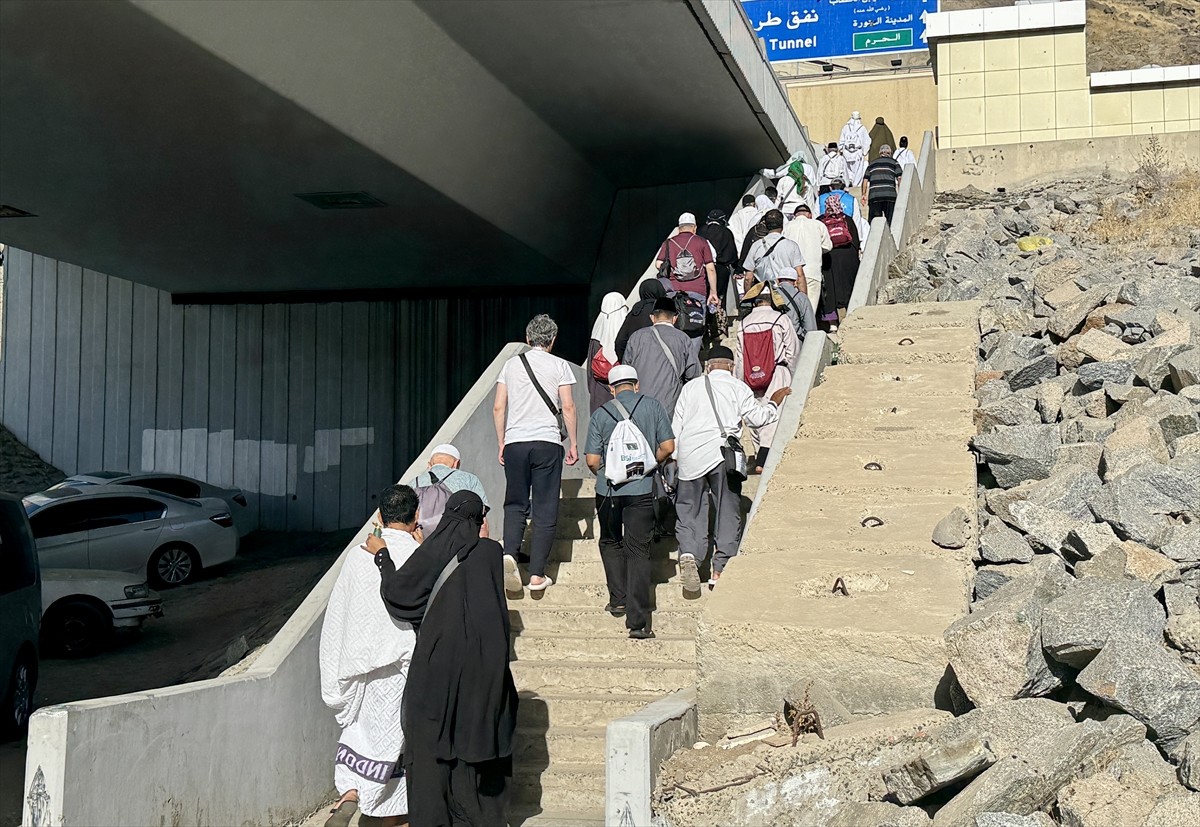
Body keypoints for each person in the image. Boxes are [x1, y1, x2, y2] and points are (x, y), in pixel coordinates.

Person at [371, 491, 519, 827]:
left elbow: (399, 594)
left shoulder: (432, 550)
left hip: (434, 669)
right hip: (482, 670)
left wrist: (383, 559)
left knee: (430, 747)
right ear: (478, 520)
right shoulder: (490, 552)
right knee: (475, 742)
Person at [319, 484, 422, 827]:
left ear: (379, 516)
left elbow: (339, 614)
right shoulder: (419, 556)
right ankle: (388, 813)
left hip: (358, 666)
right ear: (416, 516)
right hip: (399, 667)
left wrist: (337, 667)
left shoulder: (357, 556)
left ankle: (349, 793)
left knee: (361, 732)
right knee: (394, 740)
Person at [671, 346, 789, 591]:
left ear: (708, 366)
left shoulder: (689, 388)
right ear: (732, 366)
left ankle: (690, 553)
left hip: (691, 455)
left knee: (689, 508)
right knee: (727, 508)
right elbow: (758, 419)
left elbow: (676, 427)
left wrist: (674, 457)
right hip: (723, 456)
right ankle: (720, 569)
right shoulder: (738, 387)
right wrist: (774, 403)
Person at [584, 365, 675, 639]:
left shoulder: (601, 414)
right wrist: (648, 465)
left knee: (611, 541)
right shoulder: (653, 406)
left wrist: (608, 473)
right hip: (641, 490)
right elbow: (668, 446)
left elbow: (592, 460)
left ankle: (618, 599)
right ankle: (638, 623)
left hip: (608, 492)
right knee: (638, 551)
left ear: (611, 389)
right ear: (636, 384)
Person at [494, 314, 578, 593]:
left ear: (527, 338)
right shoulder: (560, 365)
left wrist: (501, 442)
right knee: (544, 508)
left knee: (515, 503)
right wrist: (574, 443)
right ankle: (537, 575)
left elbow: (498, 407)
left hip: (516, 442)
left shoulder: (510, 365)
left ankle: (509, 553)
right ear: (552, 340)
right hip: (547, 443)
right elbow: (567, 407)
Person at [736, 283, 800, 473]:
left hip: (750, 375)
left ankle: (758, 456)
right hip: (777, 373)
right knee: (774, 416)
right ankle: (763, 460)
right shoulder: (781, 319)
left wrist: (740, 381)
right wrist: (794, 375)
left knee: (756, 414)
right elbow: (793, 351)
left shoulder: (743, 323)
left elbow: (740, 357)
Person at [623, 296, 702, 418]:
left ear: (652, 317)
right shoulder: (683, 338)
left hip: (638, 406)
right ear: (675, 318)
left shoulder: (636, 337)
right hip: (669, 406)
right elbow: (693, 374)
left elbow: (626, 372)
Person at [409, 443, 490, 537]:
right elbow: (481, 514)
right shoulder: (469, 479)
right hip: (459, 540)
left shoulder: (414, 482)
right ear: (456, 463)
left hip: (422, 539)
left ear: (429, 465)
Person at [654, 212, 719, 308]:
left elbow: (658, 263)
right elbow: (711, 269)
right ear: (694, 227)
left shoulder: (668, 243)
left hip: (674, 290)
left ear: (679, 228)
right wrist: (713, 292)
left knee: (676, 320)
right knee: (696, 320)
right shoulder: (702, 242)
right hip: (697, 290)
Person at [819, 194, 861, 332]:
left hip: (828, 259)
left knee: (829, 291)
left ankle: (832, 324)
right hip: (848, 259)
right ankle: (851, 317)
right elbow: (855, 240)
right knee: (848, 287)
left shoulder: (820, 221)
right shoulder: (847, 219)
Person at [742, 209, 806, 295]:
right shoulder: (792, 246)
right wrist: (803, 298)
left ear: (766, 226)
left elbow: (748, 278)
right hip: (786, 294)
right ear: (782, 225)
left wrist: (748, 298)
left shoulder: (756, 246)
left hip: (764, 294)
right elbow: (800, 275)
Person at [587, 292, 629, 413]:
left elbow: (590, 370)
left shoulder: (597, 330)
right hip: (621, 390)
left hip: (599, 392)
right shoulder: (625, 335)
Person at [782, 203, 832, 304]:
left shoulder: (787, 227)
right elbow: (828, 246)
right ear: (810, 215)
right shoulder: (818, 225)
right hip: (812, 272)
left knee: (794, 305)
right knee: (811, 307)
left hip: (792, 273)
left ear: (794, 215)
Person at [616, 279, 666, 361]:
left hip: (637, 362)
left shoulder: (635, 312)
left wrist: (625, 362)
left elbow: (620, 341)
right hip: (662, 363)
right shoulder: (667, 312)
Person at [698, 209, 739, 307]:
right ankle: (718, 318)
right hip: (721, 269)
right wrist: (737, 267)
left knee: (704, 295)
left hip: (703, 269)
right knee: (719, 298)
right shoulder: (726, 232)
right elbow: (732, 253)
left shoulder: (700, 231)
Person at [863, 145, 903, 224]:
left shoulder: (872, 164)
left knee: (875, 222)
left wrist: (864, 194)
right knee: (891, 221)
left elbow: (865, 180)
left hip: (874, 196)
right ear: (890, 153)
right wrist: (901, 193)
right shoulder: (894, 163)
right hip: (890, 195)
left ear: (879, 153)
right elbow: (900, 178)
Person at [839, 111, 871, 188]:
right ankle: (853, 183)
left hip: (852, 152)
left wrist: (841, 148)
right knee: (854, 170)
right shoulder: (850, 128)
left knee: (852, 169)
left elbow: (841, 139)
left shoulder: (850, 128)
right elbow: (867, 140)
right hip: (852, 152)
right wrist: (865, 150)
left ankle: (853, 182)